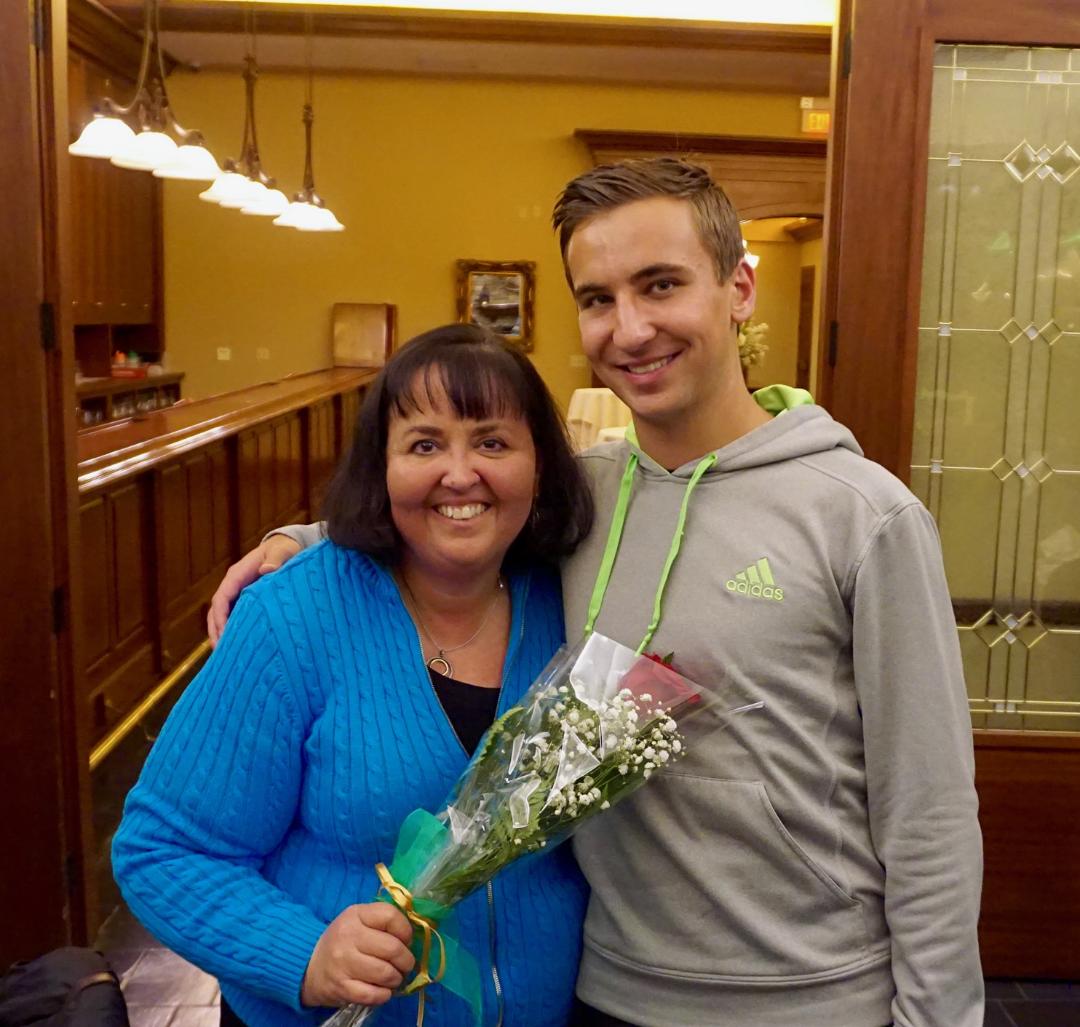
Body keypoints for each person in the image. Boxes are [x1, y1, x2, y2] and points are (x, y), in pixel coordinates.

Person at [208, 158, 984, 1027]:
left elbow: (932, 815)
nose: (631, 328)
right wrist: (296, 542)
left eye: (661, 285)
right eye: (599, 298)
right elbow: (454, 506)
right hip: (604, 988)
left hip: (809, 998)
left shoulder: (864, 518)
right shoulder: (581, 496)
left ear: (739, 286)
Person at [113, 324, 594, 1027]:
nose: (460, 474)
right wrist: (303, 954)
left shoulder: (574, 601)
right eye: (424, 444)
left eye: (492, 442)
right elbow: (165, 848)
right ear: (382, 466)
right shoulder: (292, 617)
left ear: (541, 464)